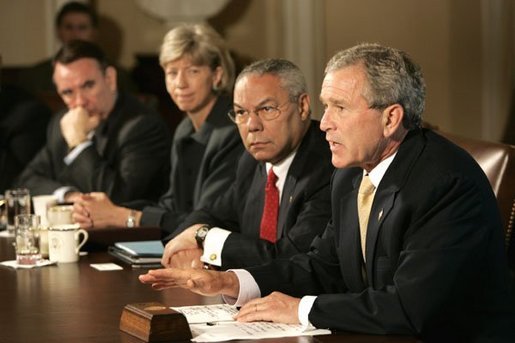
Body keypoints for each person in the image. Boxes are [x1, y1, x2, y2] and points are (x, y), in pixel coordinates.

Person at [139, 43, 515, 341]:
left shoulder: (445, 183)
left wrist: (300, 310)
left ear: (391, 118)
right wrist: (232, 281)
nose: (325, 124)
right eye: (325, 106)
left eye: (340, 107)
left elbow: (409, 307)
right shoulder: (351, 174)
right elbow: (322, 265)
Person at [161, 58, 333, 270]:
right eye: (241, 112)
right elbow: (212, 214)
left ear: (303, 106)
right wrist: (184, 243)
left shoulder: (328, 164)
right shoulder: (250, 161)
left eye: (267, 109)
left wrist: (203, 236)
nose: (252, 126)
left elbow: (291, 257)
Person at [71, 23, 243, 233]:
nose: (180, 83)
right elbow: (171, 206)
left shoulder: (233, 131)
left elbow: (206, 222)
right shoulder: (184, 129)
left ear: (216, 75)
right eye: (172, 73)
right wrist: (103, 210)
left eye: (193, 71)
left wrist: (123, 216)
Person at [15, 40, 170, 204]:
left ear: (110, 79)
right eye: (68, 92)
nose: (80, 101)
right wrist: (68, 195)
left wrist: (79, 143)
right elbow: (26, 181)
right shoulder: (61, 123)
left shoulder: (143, 126)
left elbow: (117, 198)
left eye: (88, 85)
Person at [17, 1, 135, 95]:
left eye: (82, 28)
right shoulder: (34, 78)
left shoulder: (118, 76)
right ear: (59, 32)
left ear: (94, 33)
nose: (75, 33)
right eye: (69, 27)